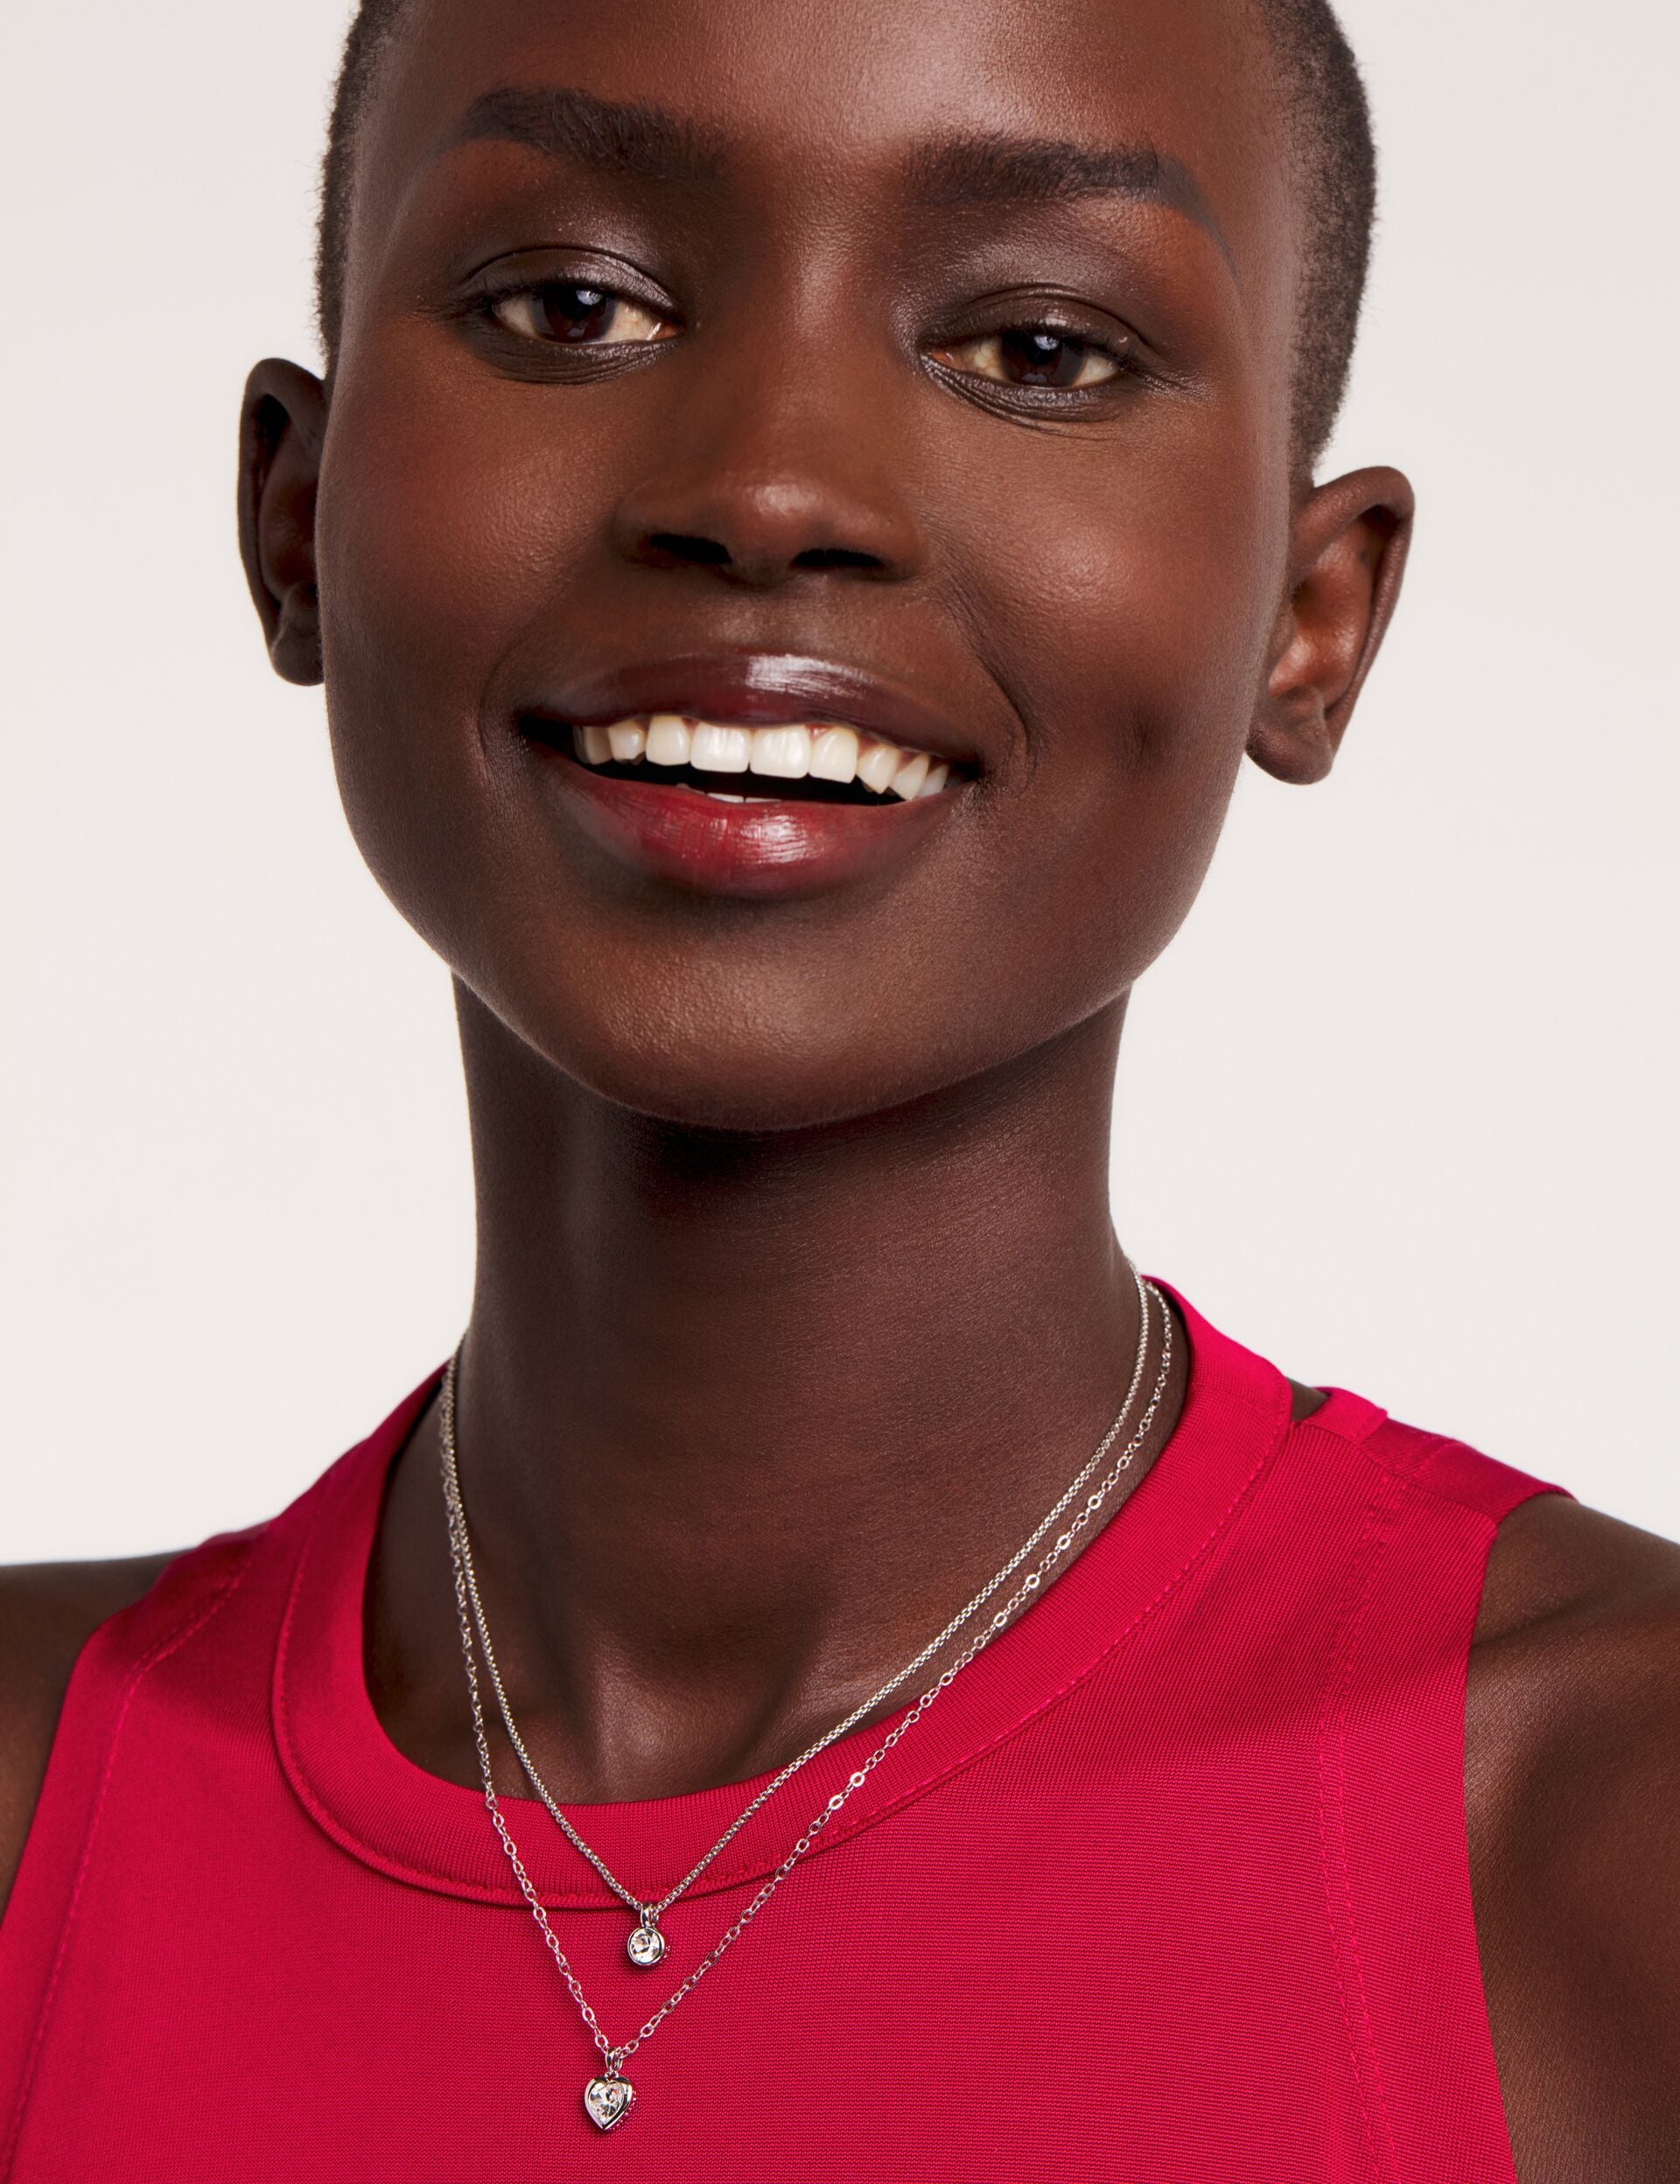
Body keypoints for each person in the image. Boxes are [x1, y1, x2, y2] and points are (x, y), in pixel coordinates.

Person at [1, 0, 1675, 2174]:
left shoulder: (1609, 1831)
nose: (771, 488)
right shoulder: (36, 1806)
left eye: (1038, 350)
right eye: (575, 305)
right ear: (296, 516)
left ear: (1311, 613)